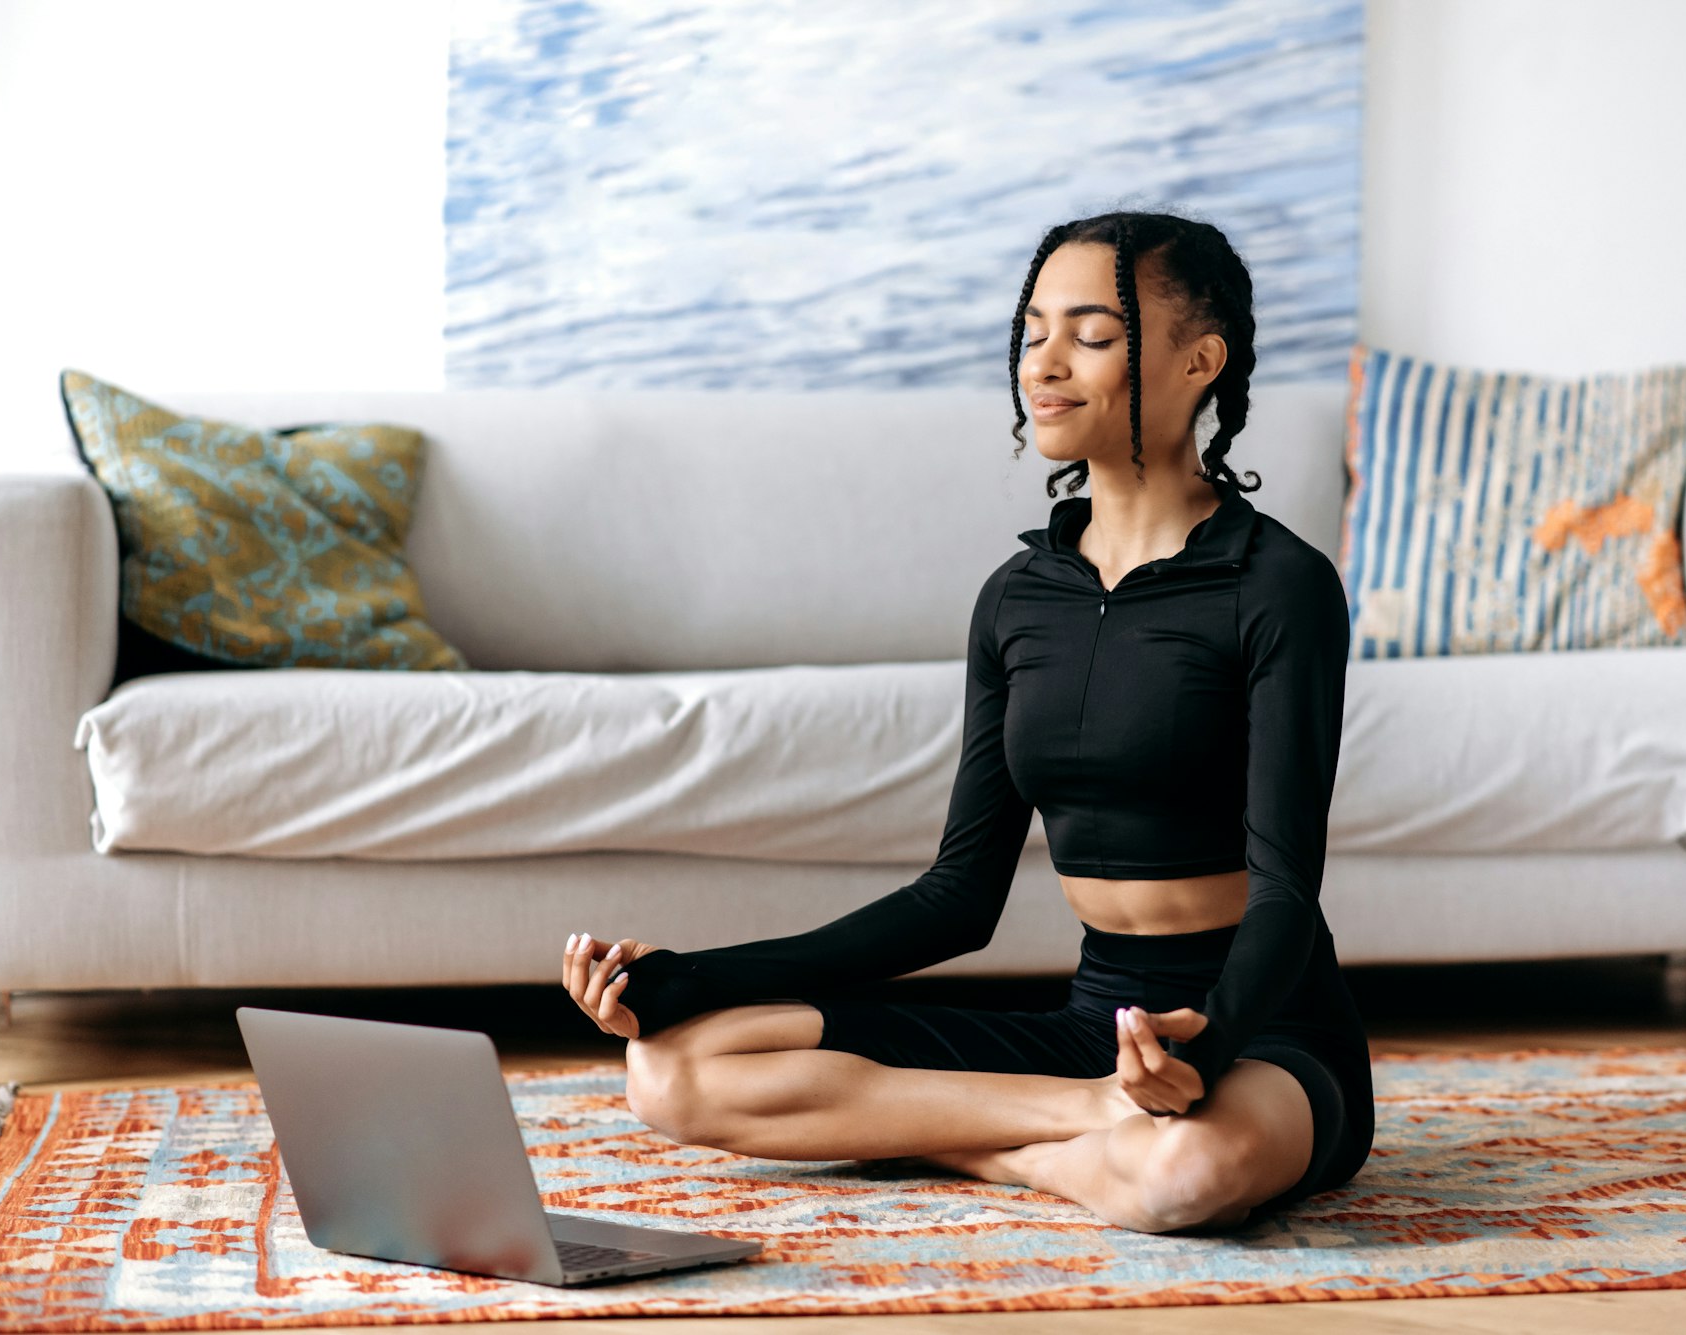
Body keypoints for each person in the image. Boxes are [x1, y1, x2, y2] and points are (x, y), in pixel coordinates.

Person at [559, 209, 1374, 1235]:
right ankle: (1079, 1128)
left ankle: (972, 1135)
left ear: (1196, 362)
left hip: (1258, 1037)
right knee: (668, 1069)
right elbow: (956, 898)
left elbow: (1286, 894)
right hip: (1092, 1033)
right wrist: (690, 976)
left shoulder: (1277, 587)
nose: (1044, 363)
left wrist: (1205, 1043)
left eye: (1091, 333)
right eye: (1032, 331)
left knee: (1185, 1177)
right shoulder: (1017, 597)